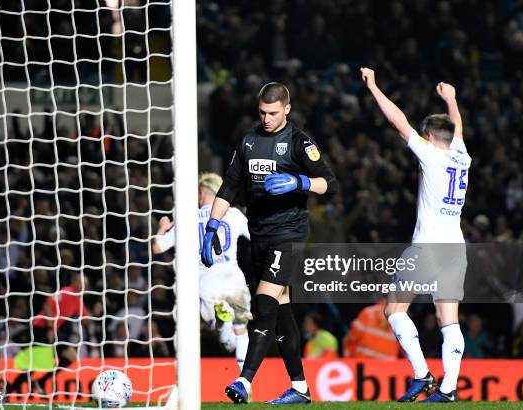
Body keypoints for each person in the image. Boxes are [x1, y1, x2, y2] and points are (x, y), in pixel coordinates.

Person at [201, 82, 339, 404]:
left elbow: (329, 183)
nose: (266, 118)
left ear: (287, 110)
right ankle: (301, 387)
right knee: (280, 312)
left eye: (273, 113)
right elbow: (230, 187)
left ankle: (244, 382)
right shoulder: (248, 141)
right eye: (262, 112)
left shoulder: (299, 142)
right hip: (259, 236)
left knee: (264, 304)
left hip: (288, 236)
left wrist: (300, 181)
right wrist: (211, 226)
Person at [361, 67, 471, 403]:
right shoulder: (462, 157)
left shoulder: (433, 156)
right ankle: (449, 388)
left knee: (394, 310)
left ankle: (422, 375)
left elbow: (398, 121)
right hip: (455, 247)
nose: (421, 139)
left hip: (428, 248)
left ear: (432, 137)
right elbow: (459, 129)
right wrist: (451, 99)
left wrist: (375, 87)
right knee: (447, 318)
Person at [152, 172, 252, 371]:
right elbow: (255, 237)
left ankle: (220, 323)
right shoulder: (234, 214)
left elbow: (158, 248)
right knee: (241, 330)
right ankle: (244, 381)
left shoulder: (186, 219)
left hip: (207, 280)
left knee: (223, 335)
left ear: (201, 194)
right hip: (234, 277)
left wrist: (162, 228)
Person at [6, 273, 90, 399]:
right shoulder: (67, 292)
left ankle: (36, 382)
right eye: (82, 283)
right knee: (36, 365)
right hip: (41, 328)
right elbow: (47, 304)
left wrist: (96, 311)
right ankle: (10, 390)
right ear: (74, 281)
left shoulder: (78, 300)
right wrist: (50, 328)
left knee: (66, 358)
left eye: (86, 284)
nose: (84, 286)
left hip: (52, 331)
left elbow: (85, 320)